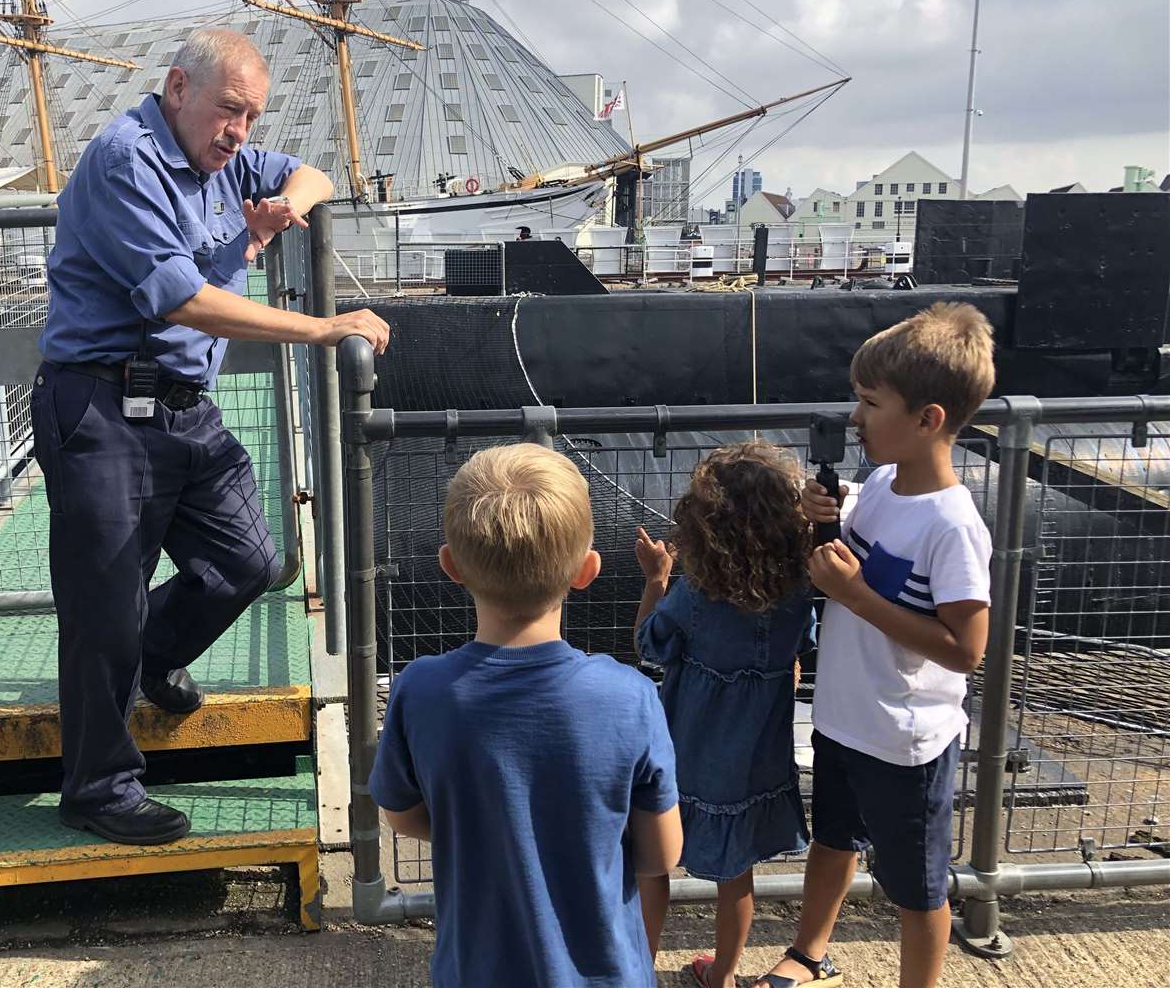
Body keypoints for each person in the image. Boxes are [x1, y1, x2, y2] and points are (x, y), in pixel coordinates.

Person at [33, 27, 390, 845]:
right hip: (99, 404)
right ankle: (98, 788)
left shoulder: (223, 159)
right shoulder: (126, 157)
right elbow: (180, 299)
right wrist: (321, 327)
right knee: (104, 605)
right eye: (230, 110)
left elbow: (316, 172)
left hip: (185, 406)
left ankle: (155, 657)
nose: (239, 132)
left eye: (251, 117)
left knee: (249, 561)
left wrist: (287, 207)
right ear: (178, 88)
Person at [369, 444, 683, 987]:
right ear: (588, 571)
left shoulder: (420, 690)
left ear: (450, 565)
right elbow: (661, 854)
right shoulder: (630, 696)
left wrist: (482, 820)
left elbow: (402, 815)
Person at [755, 302, 995, 988]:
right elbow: (837, 553)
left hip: (905, 739)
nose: (855, 416)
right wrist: (821, 519)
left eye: (869, 402)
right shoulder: (883, 485)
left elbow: (964, 650)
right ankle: (810, 950)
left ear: (928, 420)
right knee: (833, 840)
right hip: (844, 717)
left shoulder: (952, 528)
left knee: (916, 887)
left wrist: (859, 598)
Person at [633, 442, 816, 988]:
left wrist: (655, 579)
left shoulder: (692, 598)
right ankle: (726, 974)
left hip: (685, 755)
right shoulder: (797, 597)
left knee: (651, 864)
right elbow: (797, 655)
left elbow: (648, 645)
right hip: (755, 763)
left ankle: (636, 968)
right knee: (737, 878)